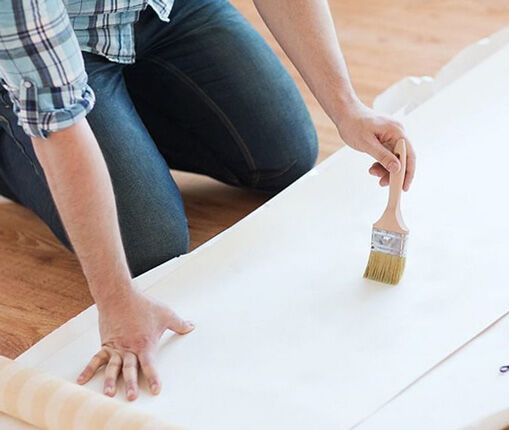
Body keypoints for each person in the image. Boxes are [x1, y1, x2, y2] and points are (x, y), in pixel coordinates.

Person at [0, 0, 416, 401]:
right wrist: (115, 299)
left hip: (157, 8)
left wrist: (347, 109)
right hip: (45, 50)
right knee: (150, 243)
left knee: (285, 153)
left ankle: (121, 119)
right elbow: (61, 119)